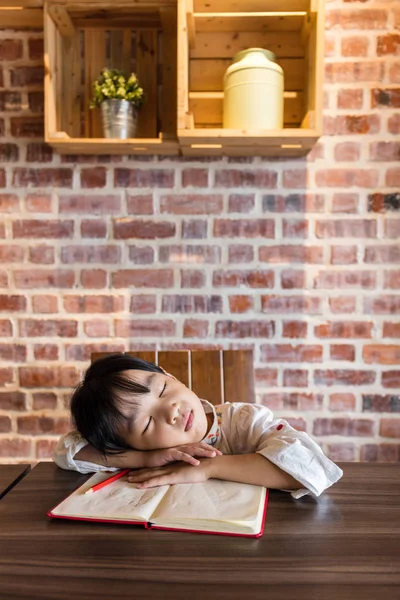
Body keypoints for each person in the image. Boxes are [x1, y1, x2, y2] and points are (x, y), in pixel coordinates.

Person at [54, 353, 343, 499]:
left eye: (163, 390)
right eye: (148, 423)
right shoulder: (150, 453)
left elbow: (308, 468)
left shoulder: (243, 421)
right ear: (131, 444)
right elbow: (67, 451)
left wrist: (207, 468)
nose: (172, 411)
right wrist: (146, 459)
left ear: (171, 376)